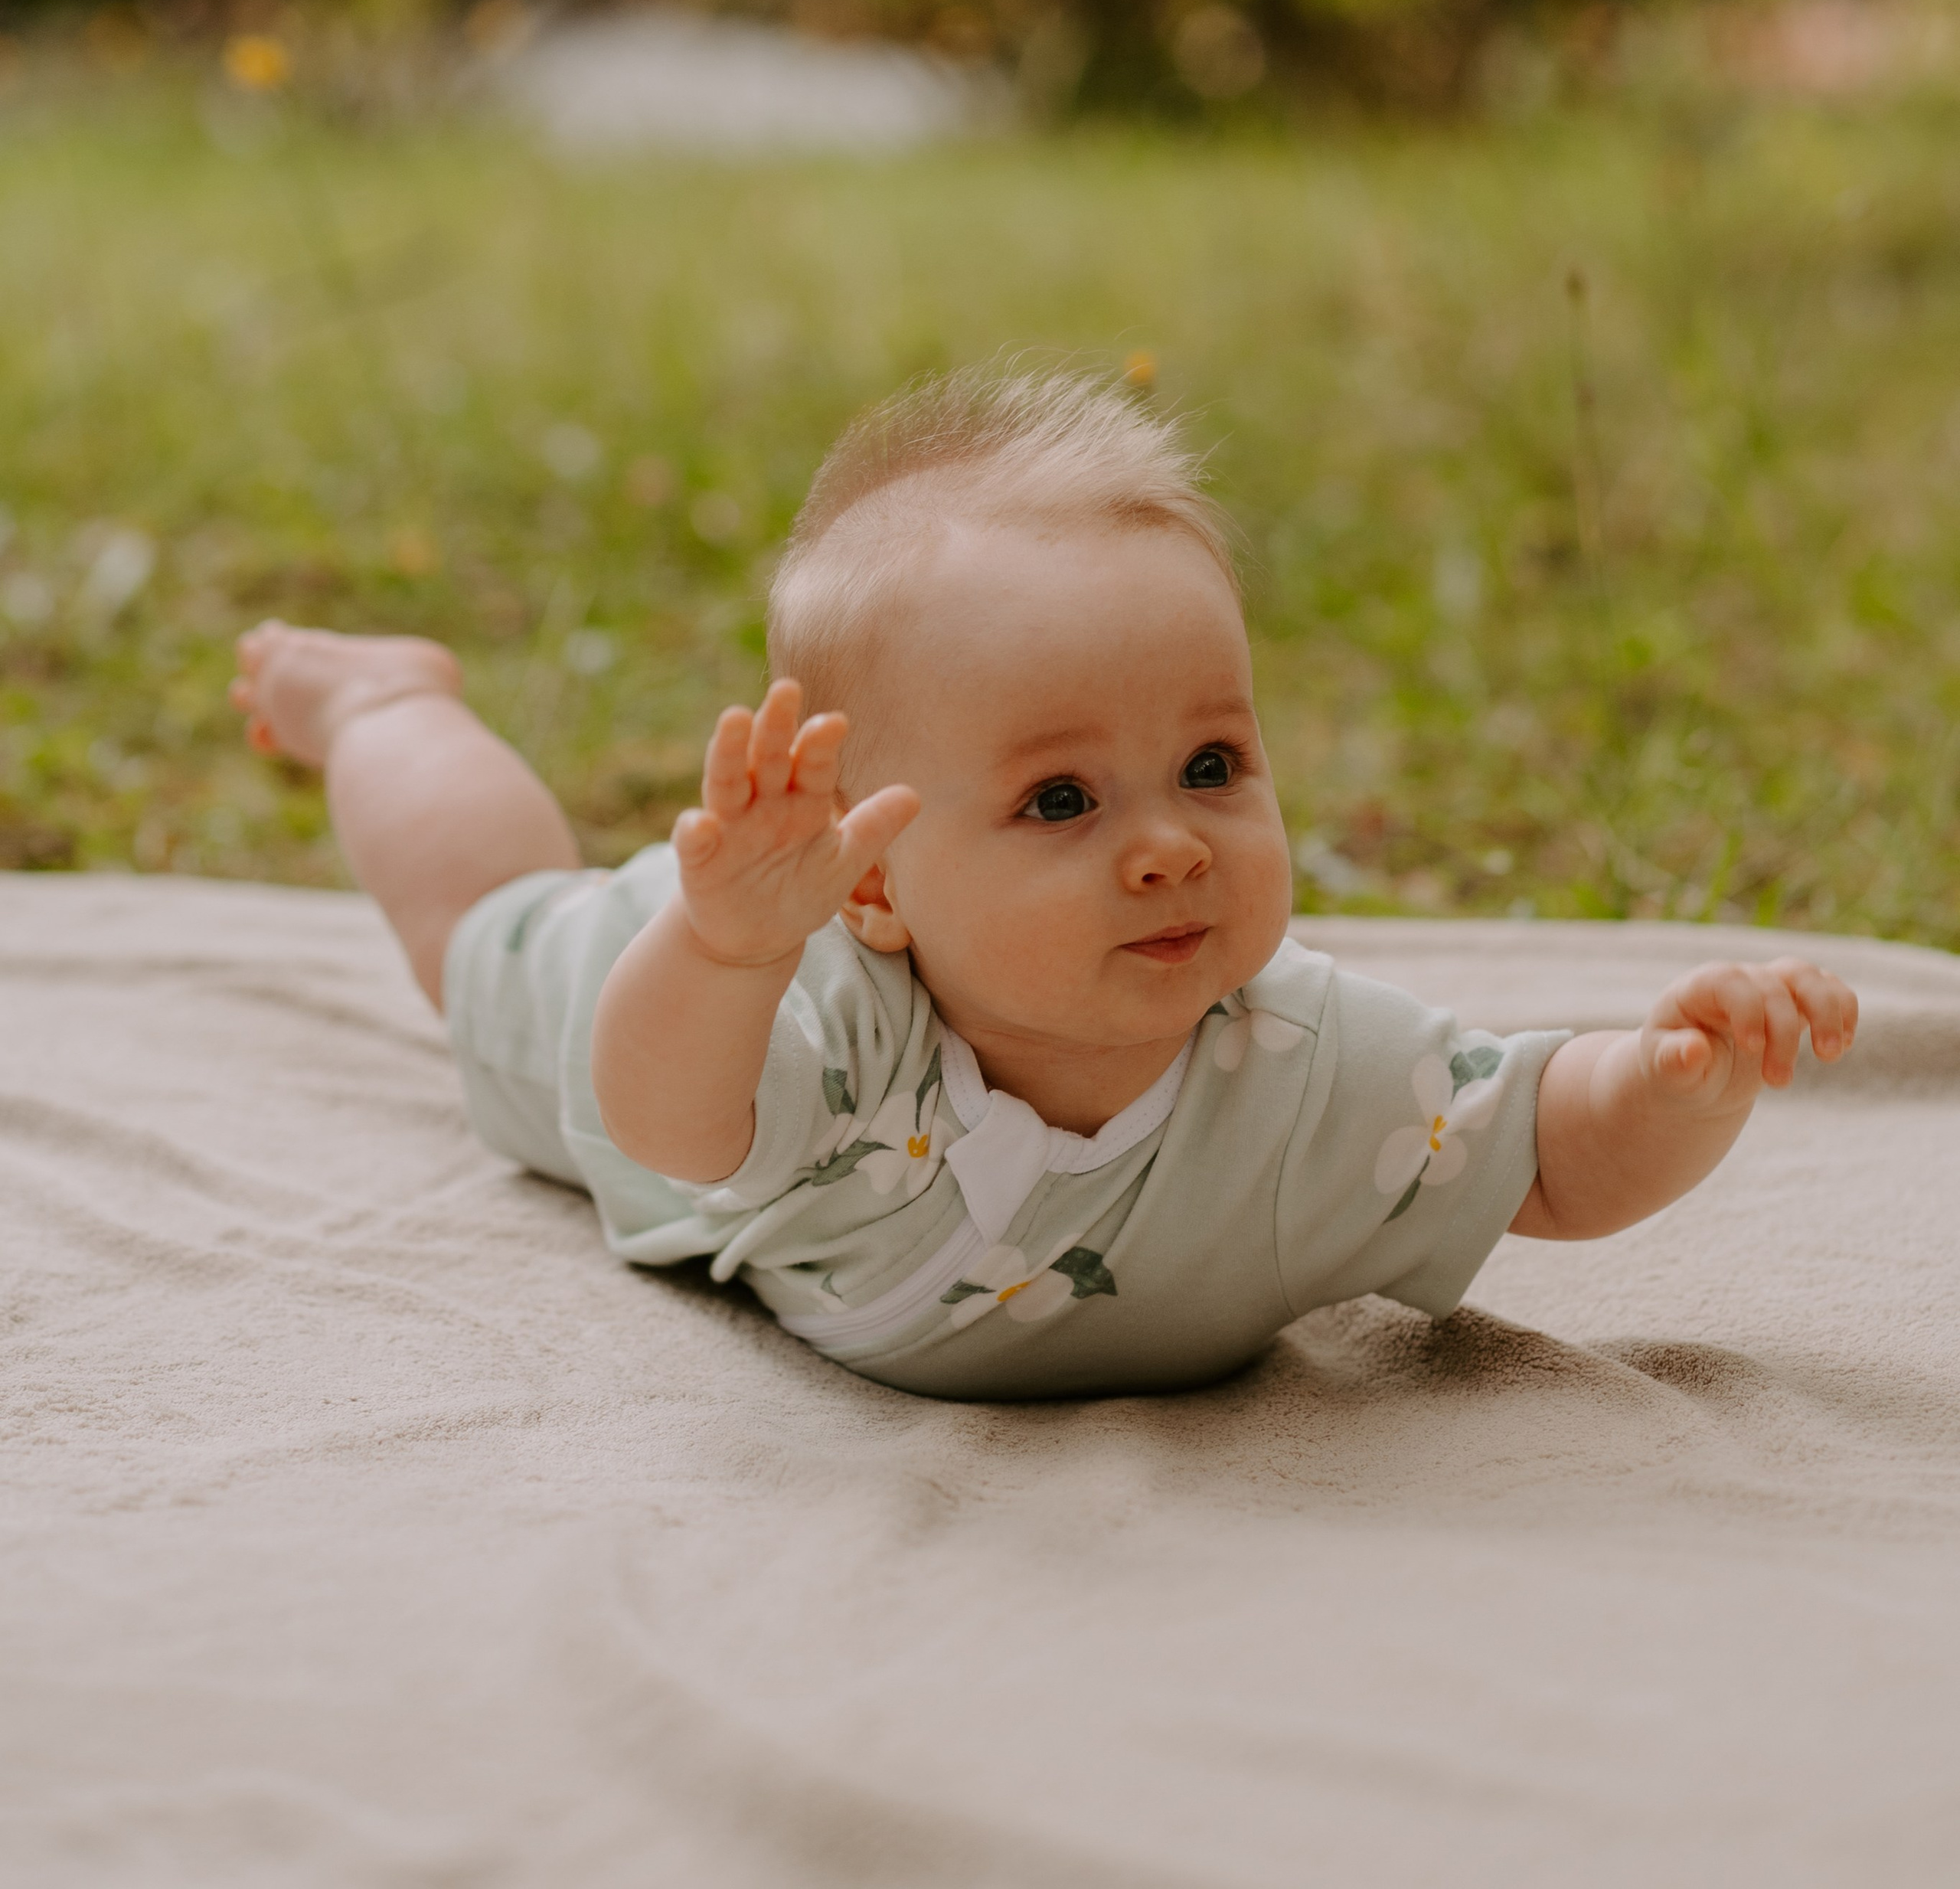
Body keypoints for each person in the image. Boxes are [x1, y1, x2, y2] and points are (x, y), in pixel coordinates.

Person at [230, 368, 1857, 1401]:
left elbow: (1549, 1157)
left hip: (747, 943)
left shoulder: (1306, 1067)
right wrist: (724, 943)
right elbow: (665, 1120)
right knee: (476, 930)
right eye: (1060, 797)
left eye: (1210, 766)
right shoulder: (834, 1019)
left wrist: (1675, 1072)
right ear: (878, 881)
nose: (1165, 842)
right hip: (683, 992)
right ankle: (386, 704)